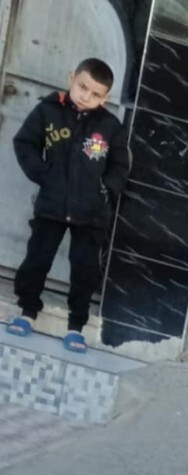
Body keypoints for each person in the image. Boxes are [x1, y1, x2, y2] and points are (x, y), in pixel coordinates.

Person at [7, 58, 131, 353]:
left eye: (95, 93)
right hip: (52, 204)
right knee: (37, 259)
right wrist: (44, 175)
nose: (85, 95)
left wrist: (105, 190)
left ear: (106, 98)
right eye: (82, 86)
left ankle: (76, 326)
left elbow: (120, 166)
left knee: (85, 269)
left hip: (91, 213)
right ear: (71, 78)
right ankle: (26, 312)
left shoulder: (110, 127)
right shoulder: (48, 111)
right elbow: (24, 143)